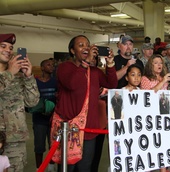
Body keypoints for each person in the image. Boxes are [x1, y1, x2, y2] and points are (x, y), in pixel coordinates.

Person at [54, 35, 117, 171]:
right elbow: (72, 84)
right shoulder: (64, 68)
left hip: (89, 129)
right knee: (68, 168)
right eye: (81, 45)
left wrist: (110, 64)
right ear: (72, 50)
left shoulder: (94, 71)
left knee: (85, 167)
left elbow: (112, 84)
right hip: (70, 129)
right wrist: (86, 62)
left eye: (87, 45)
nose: (85, 48)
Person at [0, 33, 40, 172]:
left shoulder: (18, 77)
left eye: (11, 48)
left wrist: (28, 76)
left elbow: (32, 102)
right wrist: (10, 73)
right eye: (3, 46)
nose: (8, 50)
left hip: (15, 141)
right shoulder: (11, 73)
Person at [140, 54, 170, 172]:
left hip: (168, 116)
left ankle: (164, 169)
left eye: (161, 63)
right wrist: (163, 81)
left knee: (165, 145)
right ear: (150, 65)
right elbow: (147, 95)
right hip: (153, 117)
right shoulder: (145, 79)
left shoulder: (166, 78)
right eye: (156, 63)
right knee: (152, 144)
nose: (159, 65)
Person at [32, 59, 57, 171]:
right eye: (48, 65)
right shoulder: (35, 82)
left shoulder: (55, 82)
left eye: (52, 65)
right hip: (39, 120)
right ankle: (39, 168)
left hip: (53, 119)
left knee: (52, 145)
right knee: (39, 147)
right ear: (42, 68)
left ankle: (51, 167)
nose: (51, 66)